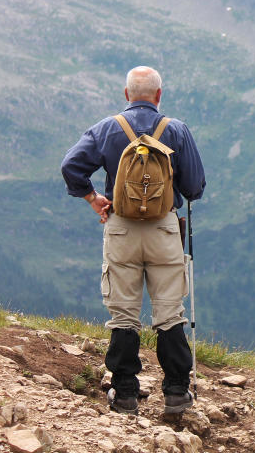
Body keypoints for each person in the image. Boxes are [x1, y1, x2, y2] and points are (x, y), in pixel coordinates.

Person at [61, 66, 205, 415]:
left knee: (124, 313)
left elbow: (71, 167)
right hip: (164, 231)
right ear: (159, 95)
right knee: (170, 311)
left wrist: (93, 198)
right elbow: (194, 188)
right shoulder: (176, 130)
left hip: (121, 228)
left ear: (126, 95)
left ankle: (124, 393)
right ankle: (175, 393)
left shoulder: (108, 128)